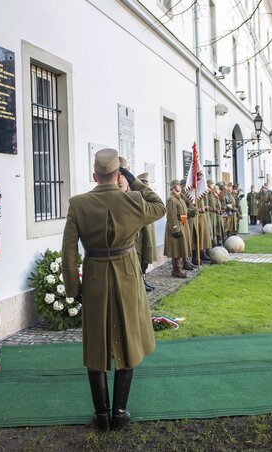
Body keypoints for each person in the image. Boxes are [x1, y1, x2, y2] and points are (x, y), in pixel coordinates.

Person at [61, 148, 165, 432]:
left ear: (94, 175)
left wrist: (73, 288)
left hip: (94, 275)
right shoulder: (132, 200)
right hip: (128, 276)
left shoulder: (78, 204)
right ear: (118, 175)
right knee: (128, 338)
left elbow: (68, 252)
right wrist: (134, 181)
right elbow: (159, 206)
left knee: (95, 342)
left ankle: (101, 415)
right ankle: (119, 412)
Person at [135, 173, 159, 290]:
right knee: (141, 257)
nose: (146, 185)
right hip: (141, 230)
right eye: (144, 183)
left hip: (148, 229)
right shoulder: (136, 196)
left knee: (147, 256)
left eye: (146, 182)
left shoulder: (146, 196)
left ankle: (144, 279)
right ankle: (140, 282)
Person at [164, 179, 191, 278]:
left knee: (180, 247)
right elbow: (171, 215)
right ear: (174, 187)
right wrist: (175, 228)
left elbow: (183, 211)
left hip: (182, 224)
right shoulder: (171, 199)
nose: (180, 186)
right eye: (179, 185)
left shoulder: (178, 198)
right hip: (175, 225)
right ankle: (176, 270)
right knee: (176, 248)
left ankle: (178, 269)